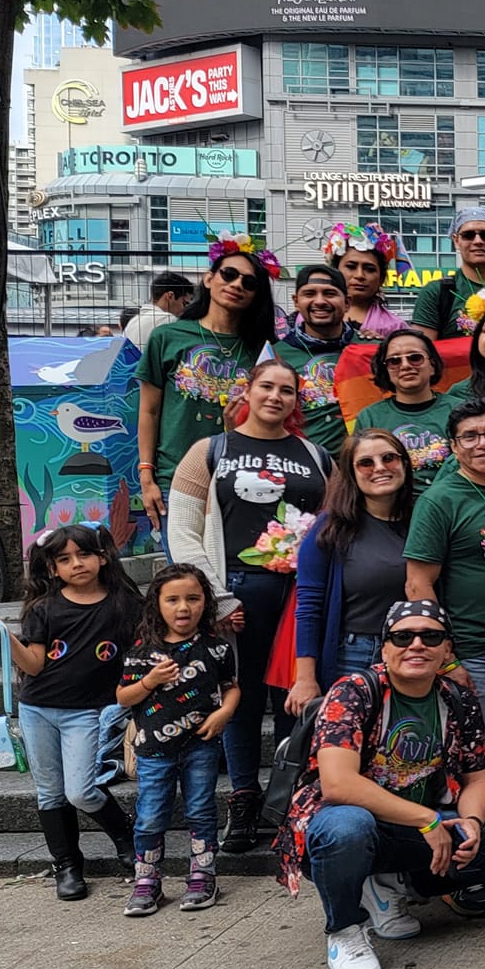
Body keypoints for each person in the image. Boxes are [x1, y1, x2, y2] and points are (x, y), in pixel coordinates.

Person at [274, 599, 485, 969]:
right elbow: (338, 785)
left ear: (447, 649)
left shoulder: (457, 699)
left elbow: (477, 779)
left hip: (420, 823)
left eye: (430, 636)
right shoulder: (354, 692)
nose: (416, 644)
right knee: (348, 827)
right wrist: (426, 819)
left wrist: (473, 822)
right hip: (342, 822)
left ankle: (394, 883)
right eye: (402, 636)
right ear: (385, 648)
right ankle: (345, 930)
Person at [165, 358, 332, 854]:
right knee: (239, 695)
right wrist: (216, 599)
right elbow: (183, 530)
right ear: (248, 391)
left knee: (294, 695)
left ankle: (285, 797)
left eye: (288, 390)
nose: (276, 397)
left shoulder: (317, 456)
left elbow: (334, 521)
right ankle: (242, 797)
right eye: (267, 387)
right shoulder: (209, 451)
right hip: (236, 591)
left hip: (300, 594)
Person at [0, 526, 140, 900]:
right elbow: (33, 665)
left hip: (85, 713)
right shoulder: (44, 608)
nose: (76, 564)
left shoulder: (123, 604)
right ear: (52, 568)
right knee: (50, 793)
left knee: (81, 790)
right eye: (64, 559)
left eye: (83, 555)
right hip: (37, 710)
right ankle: (66, 864)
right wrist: (5, 636)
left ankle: (125, 836)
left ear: (102, 557)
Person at [404, 401, 485, 870]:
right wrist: (446, 657)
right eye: (470, 436)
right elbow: (419, 584)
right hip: (474, 656)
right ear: (454, 446)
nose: (483, 444)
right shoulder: (440, 499)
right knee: (461, 766)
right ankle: (456, 871)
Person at [135, 235, 280, 535]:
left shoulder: (263, 350)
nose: (238, 284)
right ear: (209, 278)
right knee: (187, 577)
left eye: (250, 283)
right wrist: (146, 477)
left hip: (243, 476)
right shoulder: (168, 337)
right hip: (175, 477)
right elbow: (149, 411)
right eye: (229, 274)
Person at [115, 564, 238, 916]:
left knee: (200, 809)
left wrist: (224, 713)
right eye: (172, 600)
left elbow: (231, 688)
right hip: (154, 750)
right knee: (151, 815)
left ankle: (202, 874)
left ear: (205, 602)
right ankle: (147, 879)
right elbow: (123, 697)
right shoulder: (142, 652)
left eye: (192, 598)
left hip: (201, 745)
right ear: (157, 605)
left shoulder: (216, 649)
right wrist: (150, 681)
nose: (183, 607)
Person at [289, 429, 416, 715]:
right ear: (351, 473)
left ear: (405, 464)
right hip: (354, 653)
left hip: (415, 650)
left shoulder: (424, 519)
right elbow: (308, 606)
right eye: (366, 463)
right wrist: (305, 678)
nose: (380, 468)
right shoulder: (331, 528)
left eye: (389, 458)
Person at [355, 329, 461, 489]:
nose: (405, 366)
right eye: (394, 361)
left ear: (432, 365)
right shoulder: (369, 417)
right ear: (386, 370)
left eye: (415, 358)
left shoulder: (460, 410)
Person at [279, 264, 351, 455]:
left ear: (347, 303)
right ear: (296, 301)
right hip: (300, 468)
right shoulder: (276, 356)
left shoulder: (371, 348)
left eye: (330, 293)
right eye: (309, 293)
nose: (319, 301)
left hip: (362, 471)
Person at [412, 204, 485, 339]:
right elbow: (421, 349)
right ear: (456, 241)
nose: (478, 241)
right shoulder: (436, 292)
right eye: (468, 235)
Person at [323, 224, 411, 341]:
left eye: (369, 269)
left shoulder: (396, 327)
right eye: (351, 266)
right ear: (334, 271)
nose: (360, 275)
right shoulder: (310, 317)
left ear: (381, 278)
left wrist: (383, 348)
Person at [121, 270, 195, 351]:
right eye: (184, 303)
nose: (184, 309)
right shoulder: (169, 320)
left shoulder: (133, 322)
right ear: (170, 296)